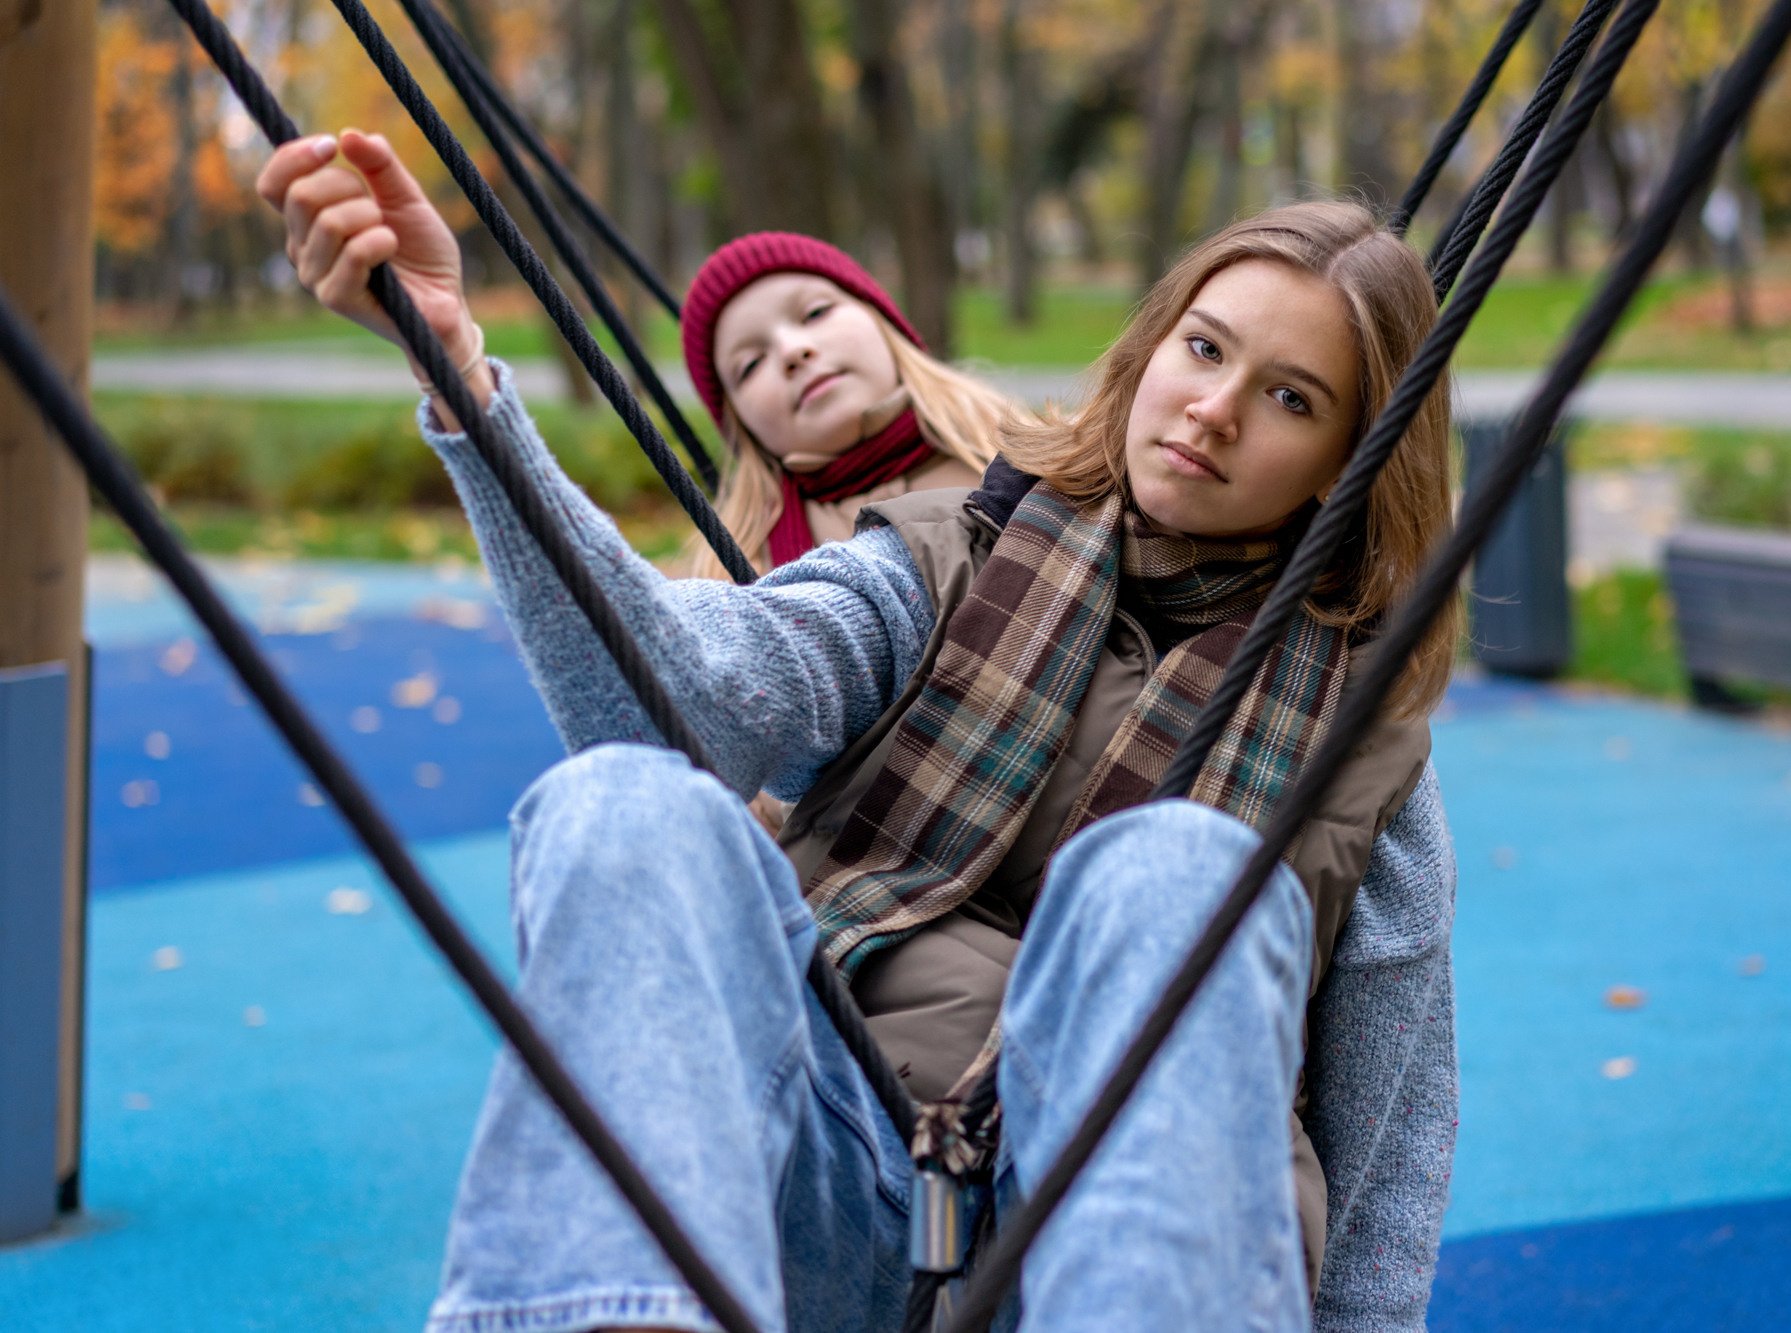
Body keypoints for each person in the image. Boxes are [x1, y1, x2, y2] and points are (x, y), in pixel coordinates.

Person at [258, 129, 1459, 1333]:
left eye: (1288, 398)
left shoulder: (1363, 740)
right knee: (620, 799)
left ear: (1344, 466)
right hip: (847, 1186)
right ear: (1151, 346)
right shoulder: (945, 557)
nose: (1212, 408)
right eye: (1203, 348)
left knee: (1174, 869)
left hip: (1114, 1246)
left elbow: (1389, 1142)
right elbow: (678, 701)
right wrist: (463, 380)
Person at [678, 231, 1022, 579]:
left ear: (879, 318)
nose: (792, 350)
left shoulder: (1023, 456)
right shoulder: (742, 570)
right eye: (750, 364)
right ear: (740, 423)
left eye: (815, 312)